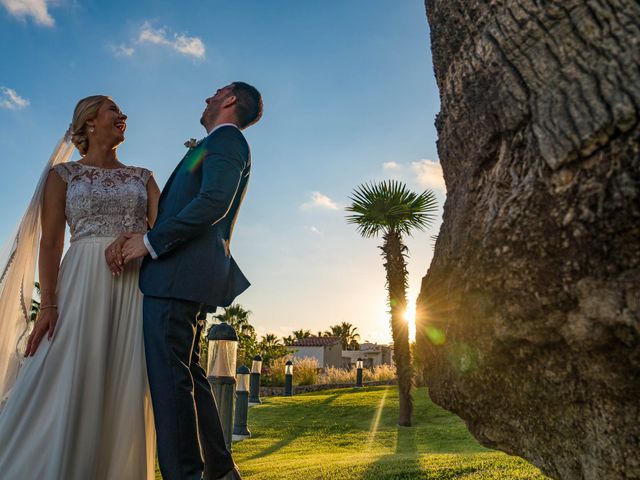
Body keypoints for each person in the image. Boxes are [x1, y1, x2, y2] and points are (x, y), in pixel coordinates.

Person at [107, 82, 263, 480]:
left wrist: (149, 242)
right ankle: (221, 471)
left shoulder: (227, 141)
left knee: (170, 384)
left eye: (215, 92)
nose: (206, 98)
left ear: (229, 101)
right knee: (189, 377)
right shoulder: (216, 145)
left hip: (175, 277)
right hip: (184, 278)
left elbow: (213, 202)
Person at [0, 95, 160, 479]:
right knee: (59, 371)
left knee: (122, 384)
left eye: (122, 111)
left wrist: (136, 238)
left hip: (133, 286)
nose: (123, 115)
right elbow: (51, 242)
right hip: (79, 284)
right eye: (113, 110)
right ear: (89, 122)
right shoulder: (63, 176)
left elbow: (163, 232)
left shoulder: (143, 177)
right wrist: (49, 306)